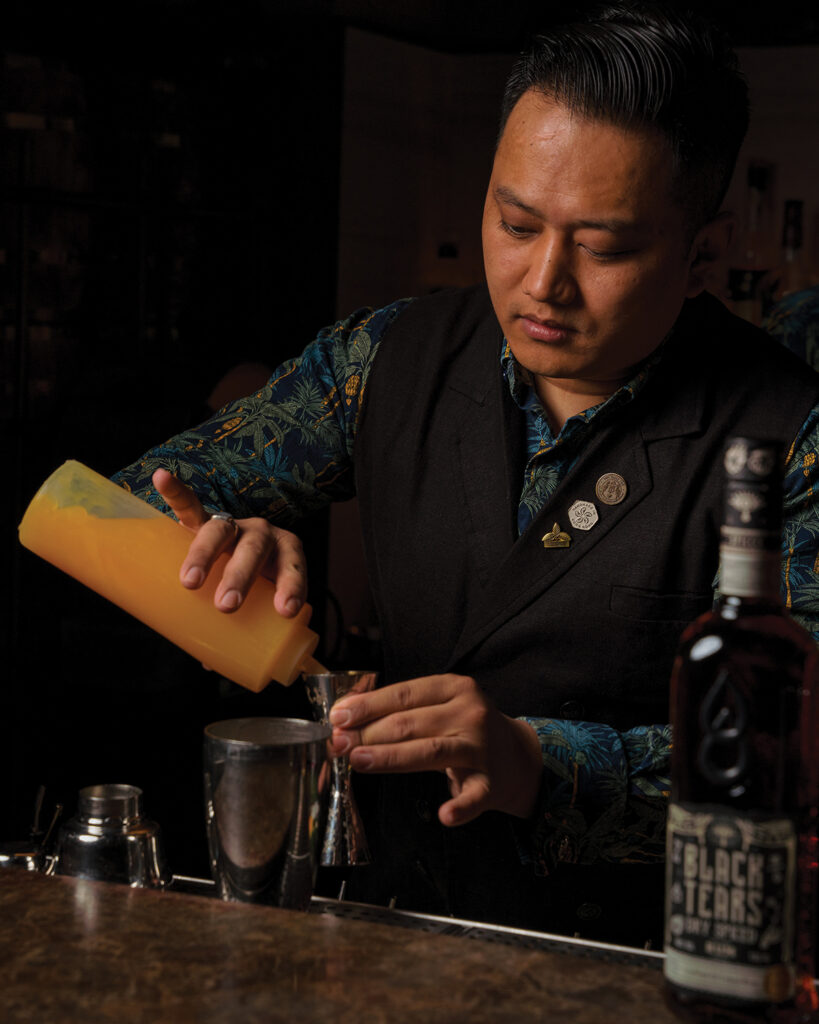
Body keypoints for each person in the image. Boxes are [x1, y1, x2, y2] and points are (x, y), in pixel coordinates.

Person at [113, 2, 819, 946]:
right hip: (382, 928)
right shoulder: (381, 358)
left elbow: (803, 757)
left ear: (703, 255)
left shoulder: (791, 433)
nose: (543, 283)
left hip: (641, 963)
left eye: (602, 247)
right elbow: (122, 506)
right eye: (515, 222)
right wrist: (214, 541)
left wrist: (541, 761)